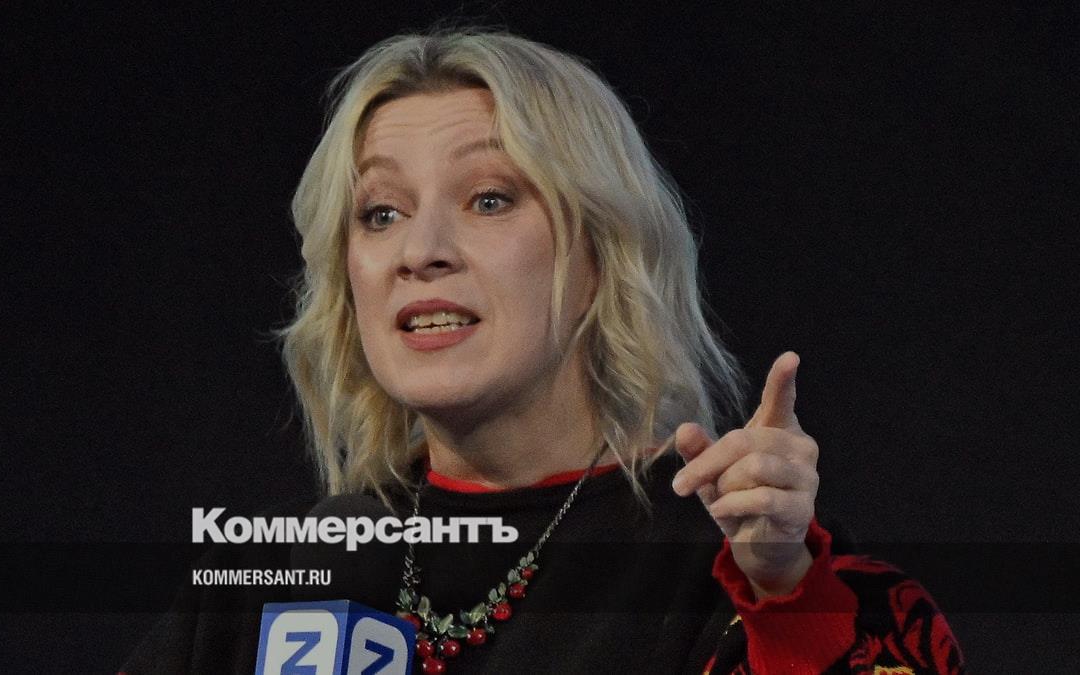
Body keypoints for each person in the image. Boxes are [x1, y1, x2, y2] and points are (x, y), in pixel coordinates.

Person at [122, 29, 964, 674]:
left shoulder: (736, 560)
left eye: (489, 198)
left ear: (602, 255)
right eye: (381, 213)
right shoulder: (271, 576)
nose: (421, 250)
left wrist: (787, 599)